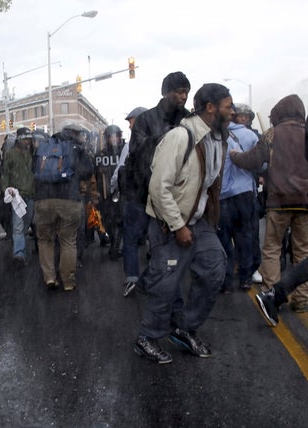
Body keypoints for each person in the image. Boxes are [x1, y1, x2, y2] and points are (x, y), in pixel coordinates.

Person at [133, 83, 233, 364]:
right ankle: (147, 337)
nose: (232, 111)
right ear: (211, 108)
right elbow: (158, 188)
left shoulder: (217, 139)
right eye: (228, 106)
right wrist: (178, 226)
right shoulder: (181, 137)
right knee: (166, 284)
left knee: (215, 268)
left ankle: (183, 328)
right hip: (169, 222)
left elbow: (208, 185)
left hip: (198, 221)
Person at [231, 95, 308, 314]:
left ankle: (271, 293)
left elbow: (252, 160)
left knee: (273, 249)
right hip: (305, 201)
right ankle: (301, 300)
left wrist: (235, 156)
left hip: (279, 201)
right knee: (303, 251)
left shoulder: (272, 134)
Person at [120, 72, 192, 297]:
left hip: (173, 194)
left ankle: (158, 280)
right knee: (132, 237)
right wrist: (169, 138)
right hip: (142, 192)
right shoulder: (146, 120)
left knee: (165, 244)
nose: (183, 97)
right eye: (179, 92)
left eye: (186, 93)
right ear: (166, 93)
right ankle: (132, 278)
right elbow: (138, 152)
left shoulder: (188, 120)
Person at [34, 124, 94, 290]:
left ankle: (49, 277)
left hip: (44, 199)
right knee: (68, 241)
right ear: (73, 134)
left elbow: (34, 171)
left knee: (45, 240)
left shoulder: (44, 147)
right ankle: (68, 281)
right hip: (69, 199)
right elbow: (88, 171)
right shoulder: (76, 148)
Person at [216, 103, 261, 293]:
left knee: (224, 240)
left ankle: (226, 282)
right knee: (245, 237)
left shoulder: (216, 136)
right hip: (244, 194)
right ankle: (245, 279)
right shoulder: (251, 136)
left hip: (223, 195)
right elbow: (261, 166)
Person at [1, 127, 36, 268]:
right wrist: (6, 190)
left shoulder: (31, 153)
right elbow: (5, 174)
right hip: (17, 196)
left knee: (25, 224)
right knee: (18, 226)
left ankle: (20, 248)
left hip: (31, 195)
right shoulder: (10, 154)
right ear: (19, 139)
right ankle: (19, 254)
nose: (28, 142)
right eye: (26, 139)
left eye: (29, 139)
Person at [95, 125, 125, 260]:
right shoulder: (101, 154)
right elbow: (94, 173)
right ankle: (113, 241)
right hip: (105, 191)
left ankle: (115, 246)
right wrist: (99, 170)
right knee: (108, 220)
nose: (114, 138)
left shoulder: (125, 151)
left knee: (119, 220)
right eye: (111, 136)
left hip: (121, 191)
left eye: (116, 135)